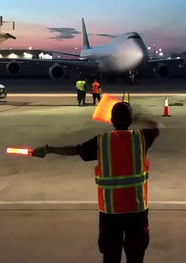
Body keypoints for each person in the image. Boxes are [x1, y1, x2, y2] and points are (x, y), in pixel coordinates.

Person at [32, 102, 161, 263]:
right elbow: (157, 127)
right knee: (136, 256)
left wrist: (48, 148)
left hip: (110, 212)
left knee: (110, 256)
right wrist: (139, 119)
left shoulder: (101, 141)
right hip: (137, 210)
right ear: (130, 119)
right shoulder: (141, 138)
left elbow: (75, 150)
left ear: (112, 120)